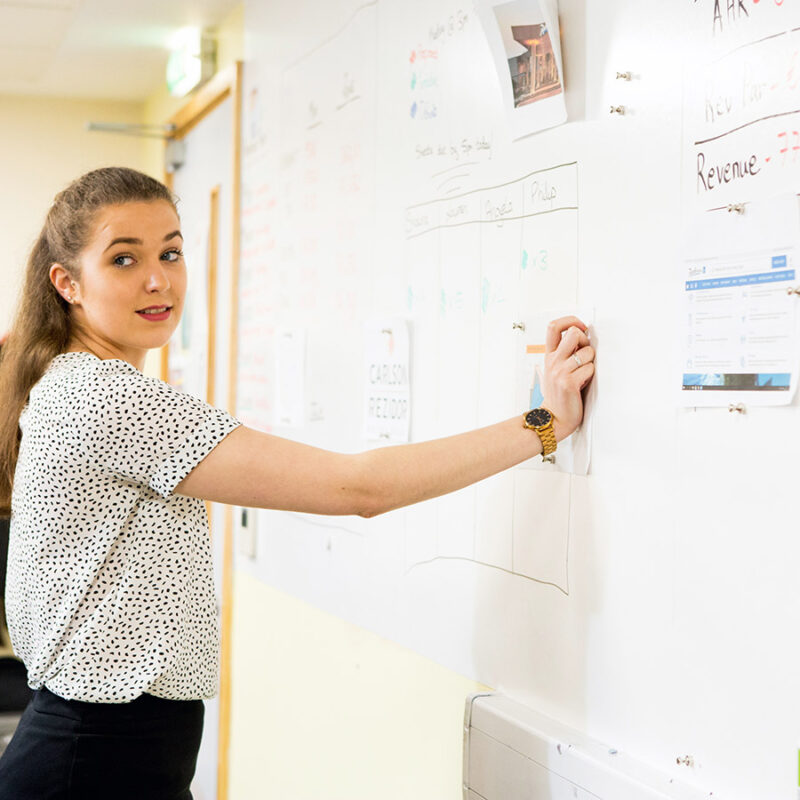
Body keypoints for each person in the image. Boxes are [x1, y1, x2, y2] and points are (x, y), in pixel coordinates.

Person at [0, 167, 594, 800]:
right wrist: (544, 423)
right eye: (124, 259)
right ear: (67, 283)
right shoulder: (108, 395)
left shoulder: (70, 381)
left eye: (171, 252)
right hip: (94, 760)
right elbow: (359, 489)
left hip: (112, 751)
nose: (158, 280)